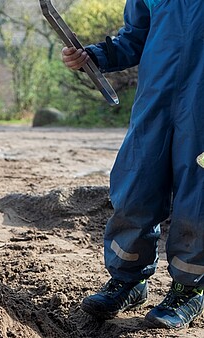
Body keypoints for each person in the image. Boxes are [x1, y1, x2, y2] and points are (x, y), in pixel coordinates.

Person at [61, 0, 204, 330]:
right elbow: (136, 36)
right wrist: (94, 56)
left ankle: (190, 288)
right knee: (134, 187)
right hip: (155, 101)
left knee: (197, 201)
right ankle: (128, 279)